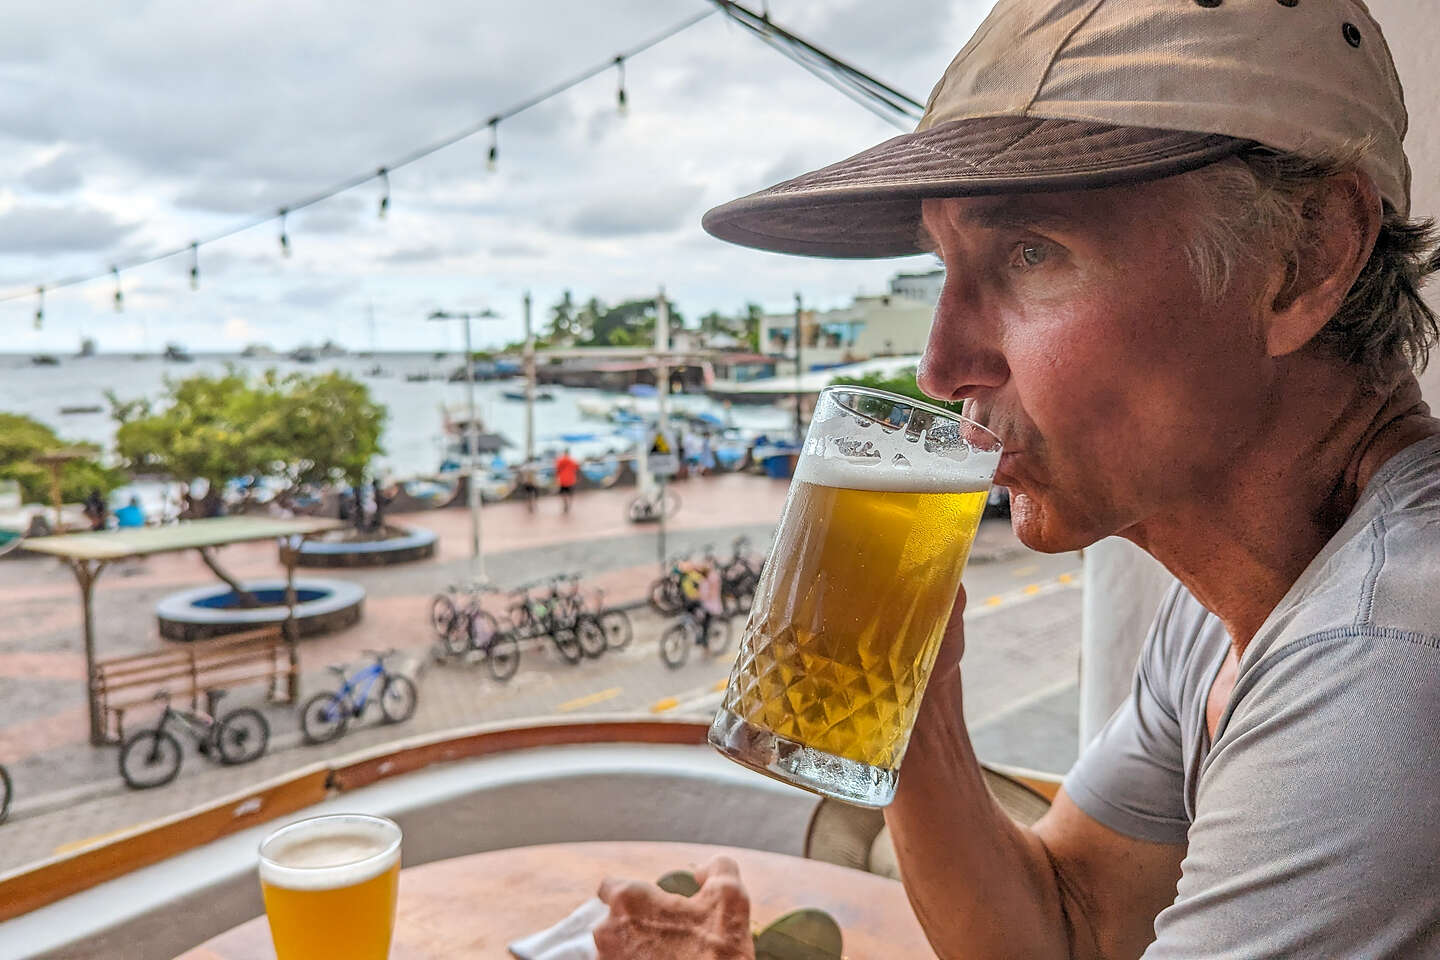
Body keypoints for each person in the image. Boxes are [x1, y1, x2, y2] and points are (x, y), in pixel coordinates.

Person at [594, 0, 1440, 957]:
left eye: (1030, 252)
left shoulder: (1386, 667)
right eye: (944, 268)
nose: (940, 365)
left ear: (1306, 256)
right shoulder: (1232, 609)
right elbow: (1071, 924)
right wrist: (902, 696)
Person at [554, 449, 580, 514]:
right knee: (570, 493)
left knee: (563, 493)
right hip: (571, 479)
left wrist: (557, 477)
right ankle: (569, 504)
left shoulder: (560, 460)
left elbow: (557, 469)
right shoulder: (572, 460)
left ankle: (565, 503)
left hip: (562, 479)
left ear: (564, 453)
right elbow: (577, 469)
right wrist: (578, 477)